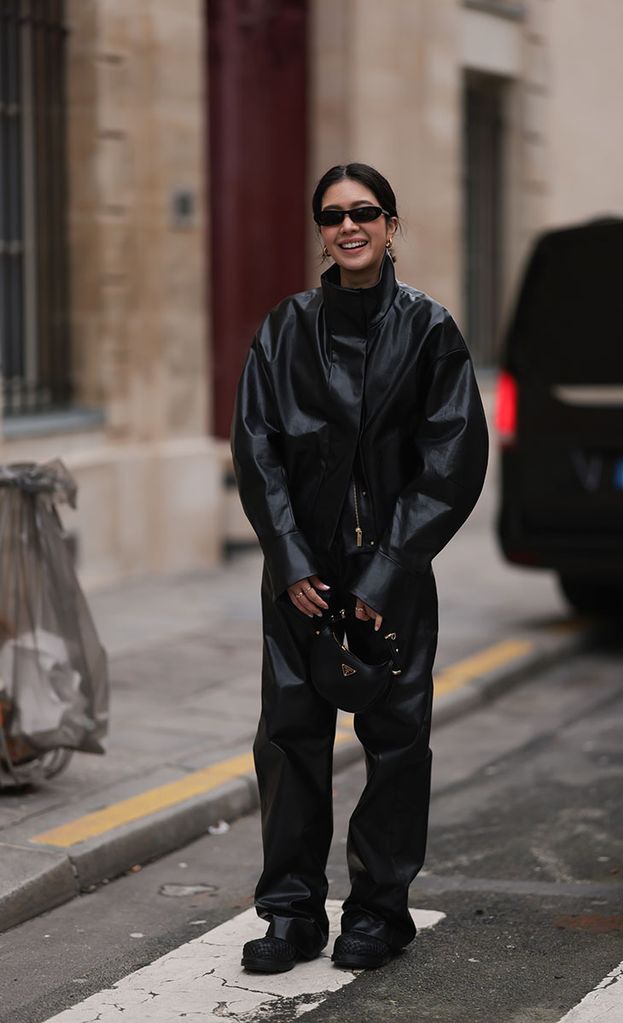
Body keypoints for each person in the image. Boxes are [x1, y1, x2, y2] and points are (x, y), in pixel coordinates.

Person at [231, 163, 488, 974]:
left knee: (396, 742)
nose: (349, 227)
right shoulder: (283, 328)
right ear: (320, 230)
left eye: (364, 212)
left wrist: (387, 572)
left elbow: (451, 458)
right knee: (289, 738)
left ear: (391, 224)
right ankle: (291, 913)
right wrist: (290, 557)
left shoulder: (428, 329)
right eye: (333, 215)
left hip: (391, 574)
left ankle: (379, 912)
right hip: (300, 576)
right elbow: (257, 446)